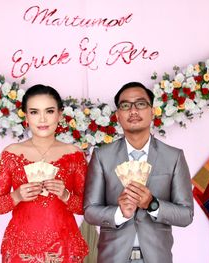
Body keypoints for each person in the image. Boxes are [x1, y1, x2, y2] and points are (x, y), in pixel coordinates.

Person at [83, 82, 194, 263]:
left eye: (141, 104)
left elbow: (186, 214)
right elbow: (90, 211)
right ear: (118, 115)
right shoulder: (102, 156)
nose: (133, 111)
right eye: (125, 105)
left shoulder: (173, 157)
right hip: (113, 257)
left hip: (157, 257)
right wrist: (119, 213)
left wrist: (153, 204)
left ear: (152, 112)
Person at [0, 84, 88, 263]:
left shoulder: (74, 154)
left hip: (63, 248)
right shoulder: (11, 153)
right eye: (34, 112)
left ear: (60, 114)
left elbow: (87, 207)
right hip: (21, 249)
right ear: (26, 116)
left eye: (49, 111)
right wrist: (17, 195)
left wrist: (65, 195)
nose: (42, 119)